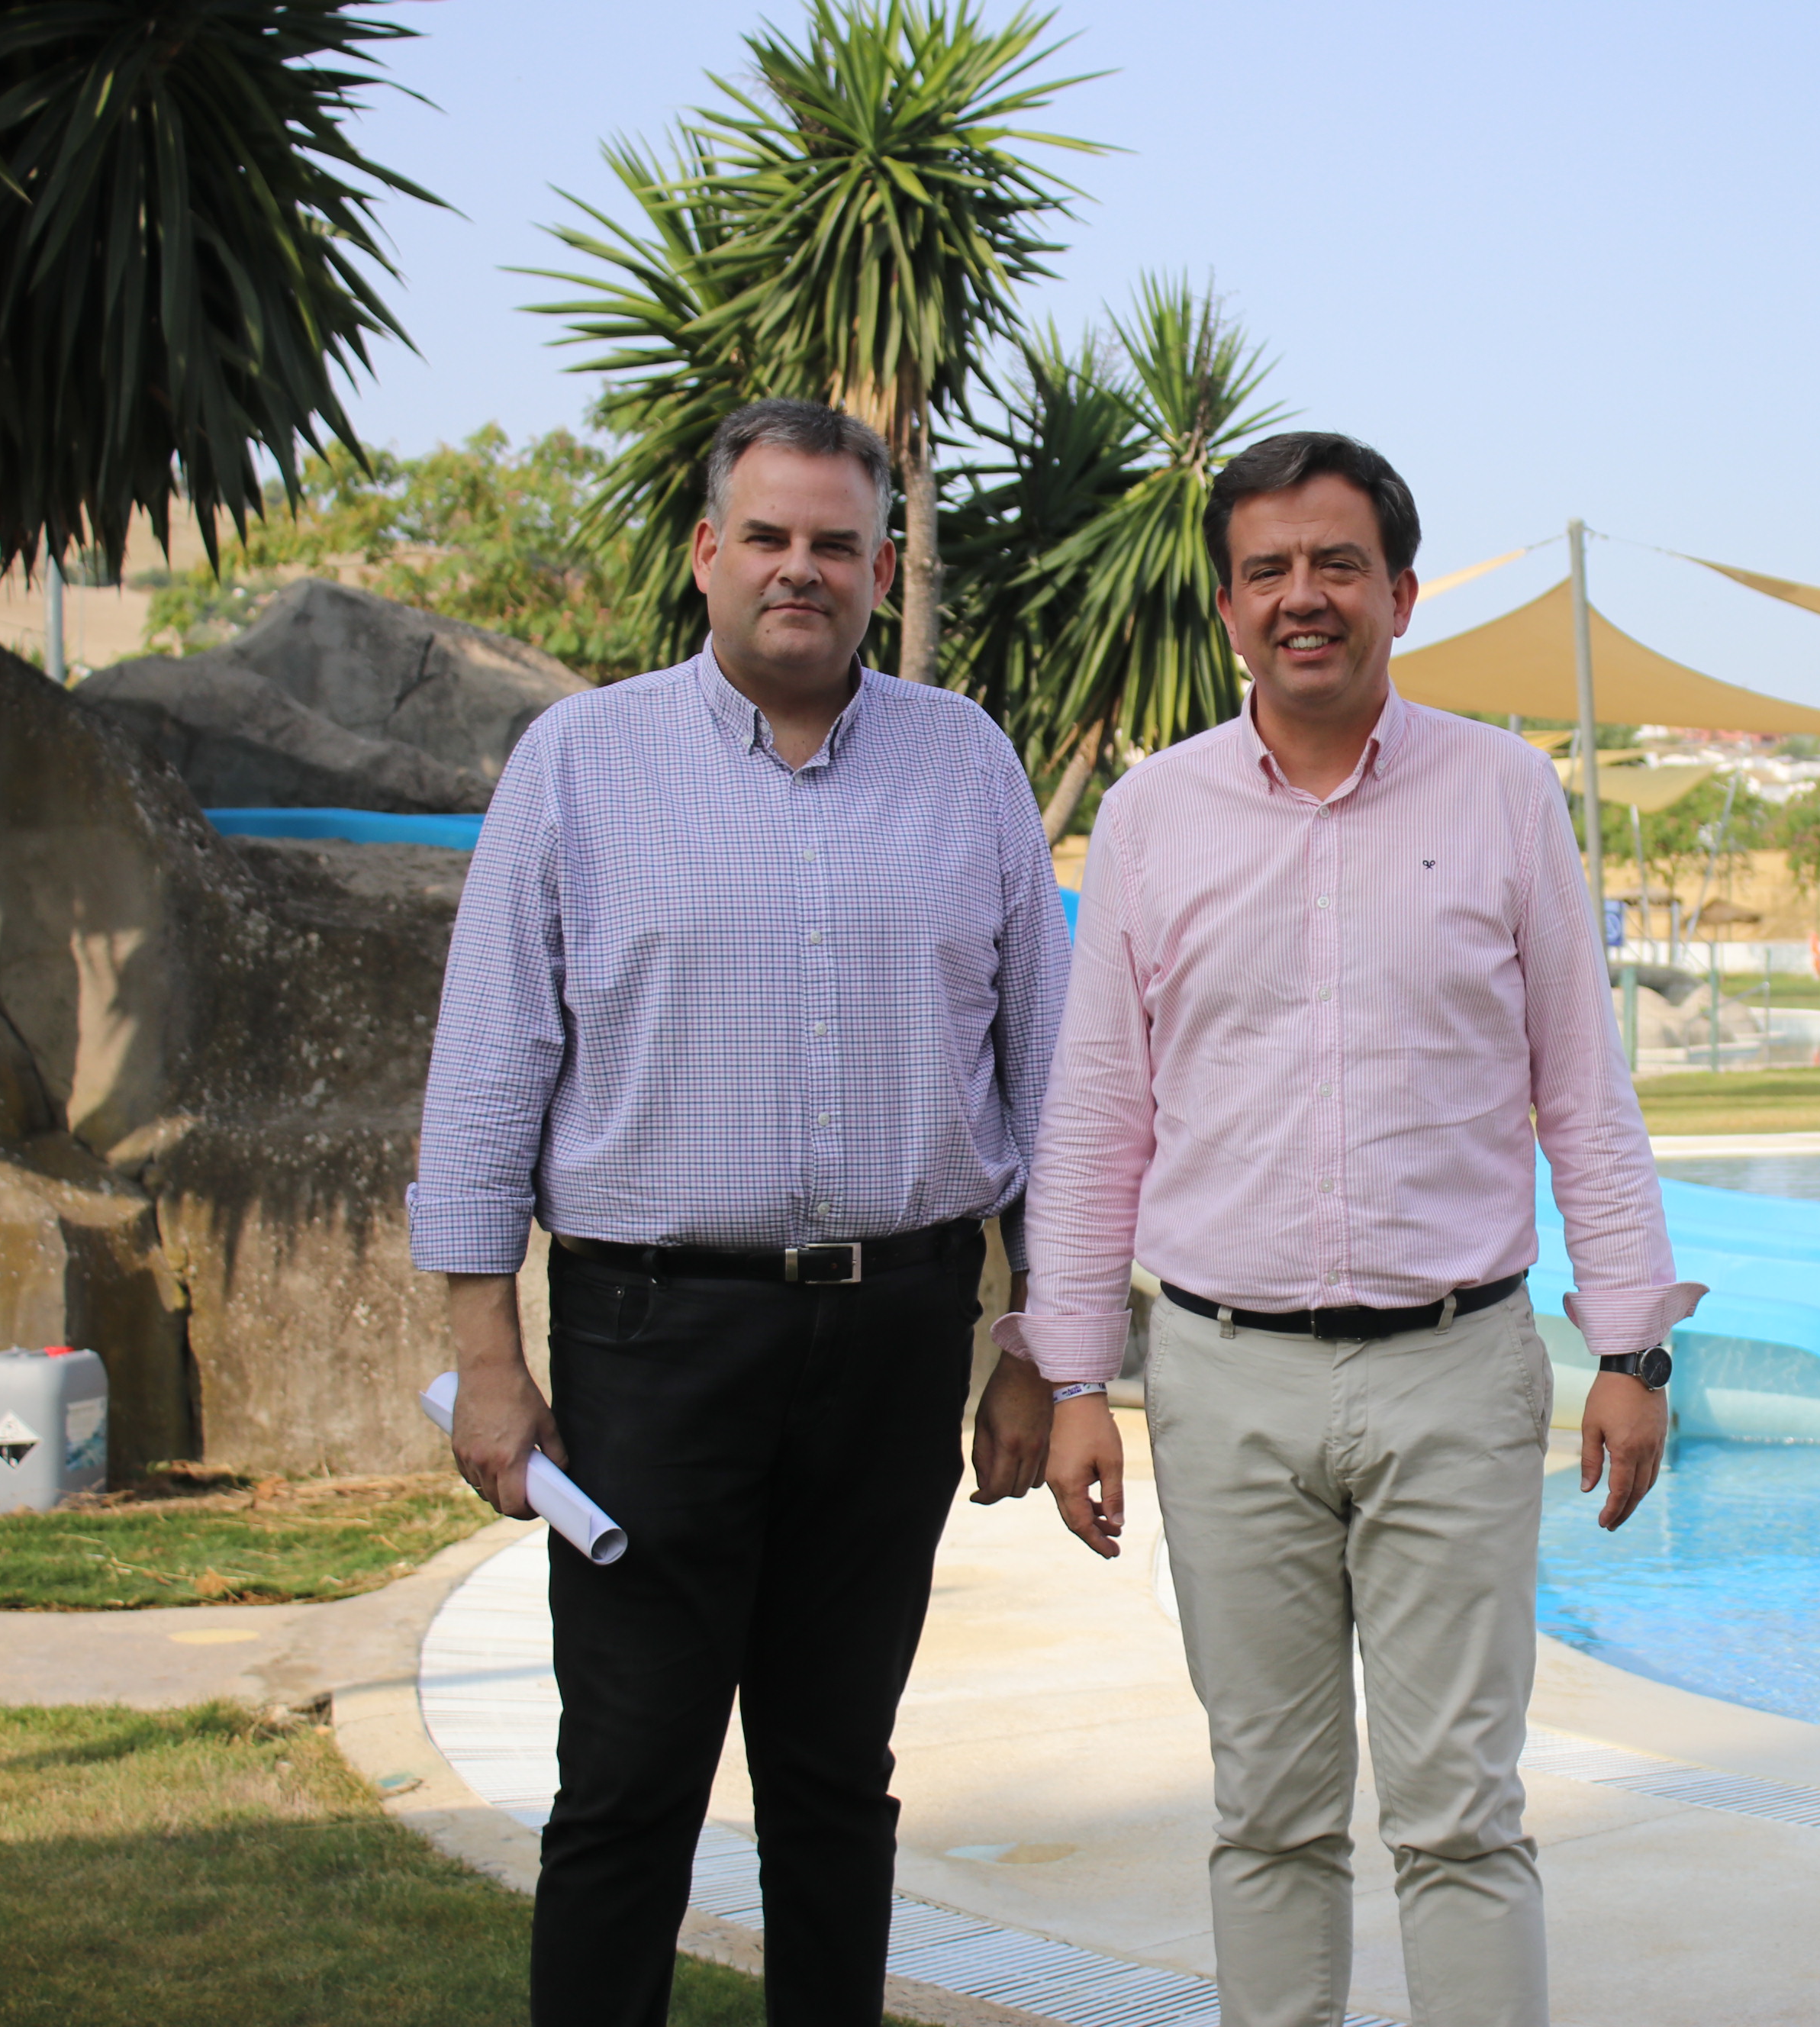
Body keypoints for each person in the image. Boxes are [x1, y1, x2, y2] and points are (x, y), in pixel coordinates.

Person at [994, 431, 1700, 2027]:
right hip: (1226, 1378)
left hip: (1454, 1371)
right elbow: (1102, 1115)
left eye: (1334, 565)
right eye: (1267, 571)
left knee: (1462, 1812)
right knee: (1270, 1811)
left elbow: (1584, 1091)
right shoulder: (1157, 813)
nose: (1301, 597)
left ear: (1400, 588)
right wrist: (1075, 1376)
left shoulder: (1508, 793)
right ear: (1228, 604)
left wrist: (1634, 1343)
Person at [411, 397, 1068, 2027]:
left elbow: (1052, 1077)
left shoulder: (967, 762)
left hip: (902, 1328)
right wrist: (485, 1359)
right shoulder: (578, 762)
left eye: (837, 543)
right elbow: (491, 1069)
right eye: (768, 536)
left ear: (881, 564)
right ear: (707, 554)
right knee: (627, 1783)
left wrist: (1041, 1344)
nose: (802, 568)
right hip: (653, 1339)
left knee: (840, 1778)